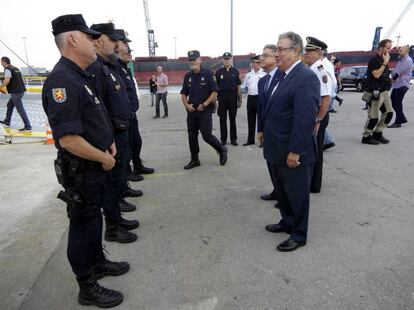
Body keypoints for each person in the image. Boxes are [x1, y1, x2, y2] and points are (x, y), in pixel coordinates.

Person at [43, 14, 129, 307]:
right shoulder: (61, 81)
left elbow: (95, 117)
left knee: (94, 221)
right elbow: (68, 138)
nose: (95, 42)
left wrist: (110, 143)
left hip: (96, 165)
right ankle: (86, 285)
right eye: (88, 36)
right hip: (83, 170)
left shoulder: (81, 75)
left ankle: (97, 262)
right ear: (72, 39)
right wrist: (103, 157)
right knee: (83, 226)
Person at [264, 32, 319, 252]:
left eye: (280, 49)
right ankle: (287, 221)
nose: (276, 54)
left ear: (296, 51)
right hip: (276, 148)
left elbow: (304, 119)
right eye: (276, 49)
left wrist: (296, 151)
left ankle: (298, 234)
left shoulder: (306, 77)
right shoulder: (282, 75)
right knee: (282, 191)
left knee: (297, 195)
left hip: (293, 150)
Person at [88, 22, 139, 244]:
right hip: (113, 136)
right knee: (111, 183)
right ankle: (113, 227)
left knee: (119, 178)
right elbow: (99, 108)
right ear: (100, 41)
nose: (117, 44)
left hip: (122, 130)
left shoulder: (111, 67)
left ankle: (117, 218)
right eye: (113, 40)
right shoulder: (98, 69)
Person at [115, 29, 155, 181]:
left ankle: (137, 164)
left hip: (131, 113)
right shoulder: (115, 67)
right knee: (125, 146)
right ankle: (127, 171)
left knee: (136, 141)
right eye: (125, 44)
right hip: (124, 116)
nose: (129, 50)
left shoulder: (124, 67)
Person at [180, 50, 228, 169]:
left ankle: (222, 149)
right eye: (190, 60)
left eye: (194, 59)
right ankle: (195, 160)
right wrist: (187, 105)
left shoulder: (208, 74)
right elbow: (183, 93)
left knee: (206, 135)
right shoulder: (188, 76)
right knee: (192, 135)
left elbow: (214, 91)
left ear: (200, 60)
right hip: (191, 110)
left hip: (204, 110)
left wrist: (205, 104)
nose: (192, 62)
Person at [303, 36, 333, 194]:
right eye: (306, 50)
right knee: (312, 149)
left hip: (318, 116)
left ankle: (314, 185)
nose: (306, 53)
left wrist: (318, 120)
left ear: (319, 53)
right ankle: (312, 183)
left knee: (316, 151)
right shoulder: (312, 69)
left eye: (310, 51)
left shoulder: (320, 71)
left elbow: (325, 99)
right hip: (314, 115)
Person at [257, 44, 280, 203]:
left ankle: (283, 195)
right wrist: (260, 129)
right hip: (267, 129)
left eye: (265, 55)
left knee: (279, 164)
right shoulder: (262, 80)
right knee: (270, 161)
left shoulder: (283, 77)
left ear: (275, 57)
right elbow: (261, 108)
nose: (261, 58)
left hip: (279, 130)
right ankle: (277, 190)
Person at [361, 39, 393, 145]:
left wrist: (391, 79)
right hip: (374, 92)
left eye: (390, 48)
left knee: (388, 113)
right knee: (373, 117)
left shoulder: (384, 59)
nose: (390, 50)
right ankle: (366, 136)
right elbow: (376, 75)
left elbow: (383, 75)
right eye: (388, 48)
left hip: (384, 91)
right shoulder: (375, 60)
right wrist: (385, 63)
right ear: (381, 48)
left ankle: (378, 133)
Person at [215, 52, 242, 145]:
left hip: (232, 97)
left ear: (231, 59)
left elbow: (238, 87)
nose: (226, 60)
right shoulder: (218, 72)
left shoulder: (235, 71)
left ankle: (233, 139)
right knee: (222, 119)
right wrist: (215, 100)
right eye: (225, 59)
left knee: (232, 119)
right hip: (222, 97)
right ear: (223, 60)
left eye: (228, 59)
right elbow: (215, 88)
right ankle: (223, 139)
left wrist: (239, 99)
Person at [0, 57, 32, 131]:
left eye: (1, 62)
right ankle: (7, 121)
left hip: (16, 92)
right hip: (20, 90)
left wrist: (0, 87)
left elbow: (7, 81)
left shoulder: (7, 69)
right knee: (10, 105)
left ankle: (28, 126)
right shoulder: (15, 68)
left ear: (5, 62)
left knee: (20, 109)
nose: (1, 64)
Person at [241, 55, 265, 146]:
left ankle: (262, 141)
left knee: (261, 120)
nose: (259, 64)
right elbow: (245, 86)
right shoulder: (248, 75)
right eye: (257, 63)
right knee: (250, 120)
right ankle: (250, 140)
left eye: (259, 62)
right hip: (251, 98)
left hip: (260, 98)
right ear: (253, 63)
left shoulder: (264, 74)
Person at [388, 45, 412, 128]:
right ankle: (402, 118)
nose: (399, 52)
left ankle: (398, 122)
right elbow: (395, 71)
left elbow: (398, 72)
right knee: (395, 102)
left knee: (396, 103)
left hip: (402, 84)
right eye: (399, 50)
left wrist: (392, 79)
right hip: (398, 85)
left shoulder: (407, 60)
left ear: (406, 51)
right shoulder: (401, 59)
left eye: (401, 50)